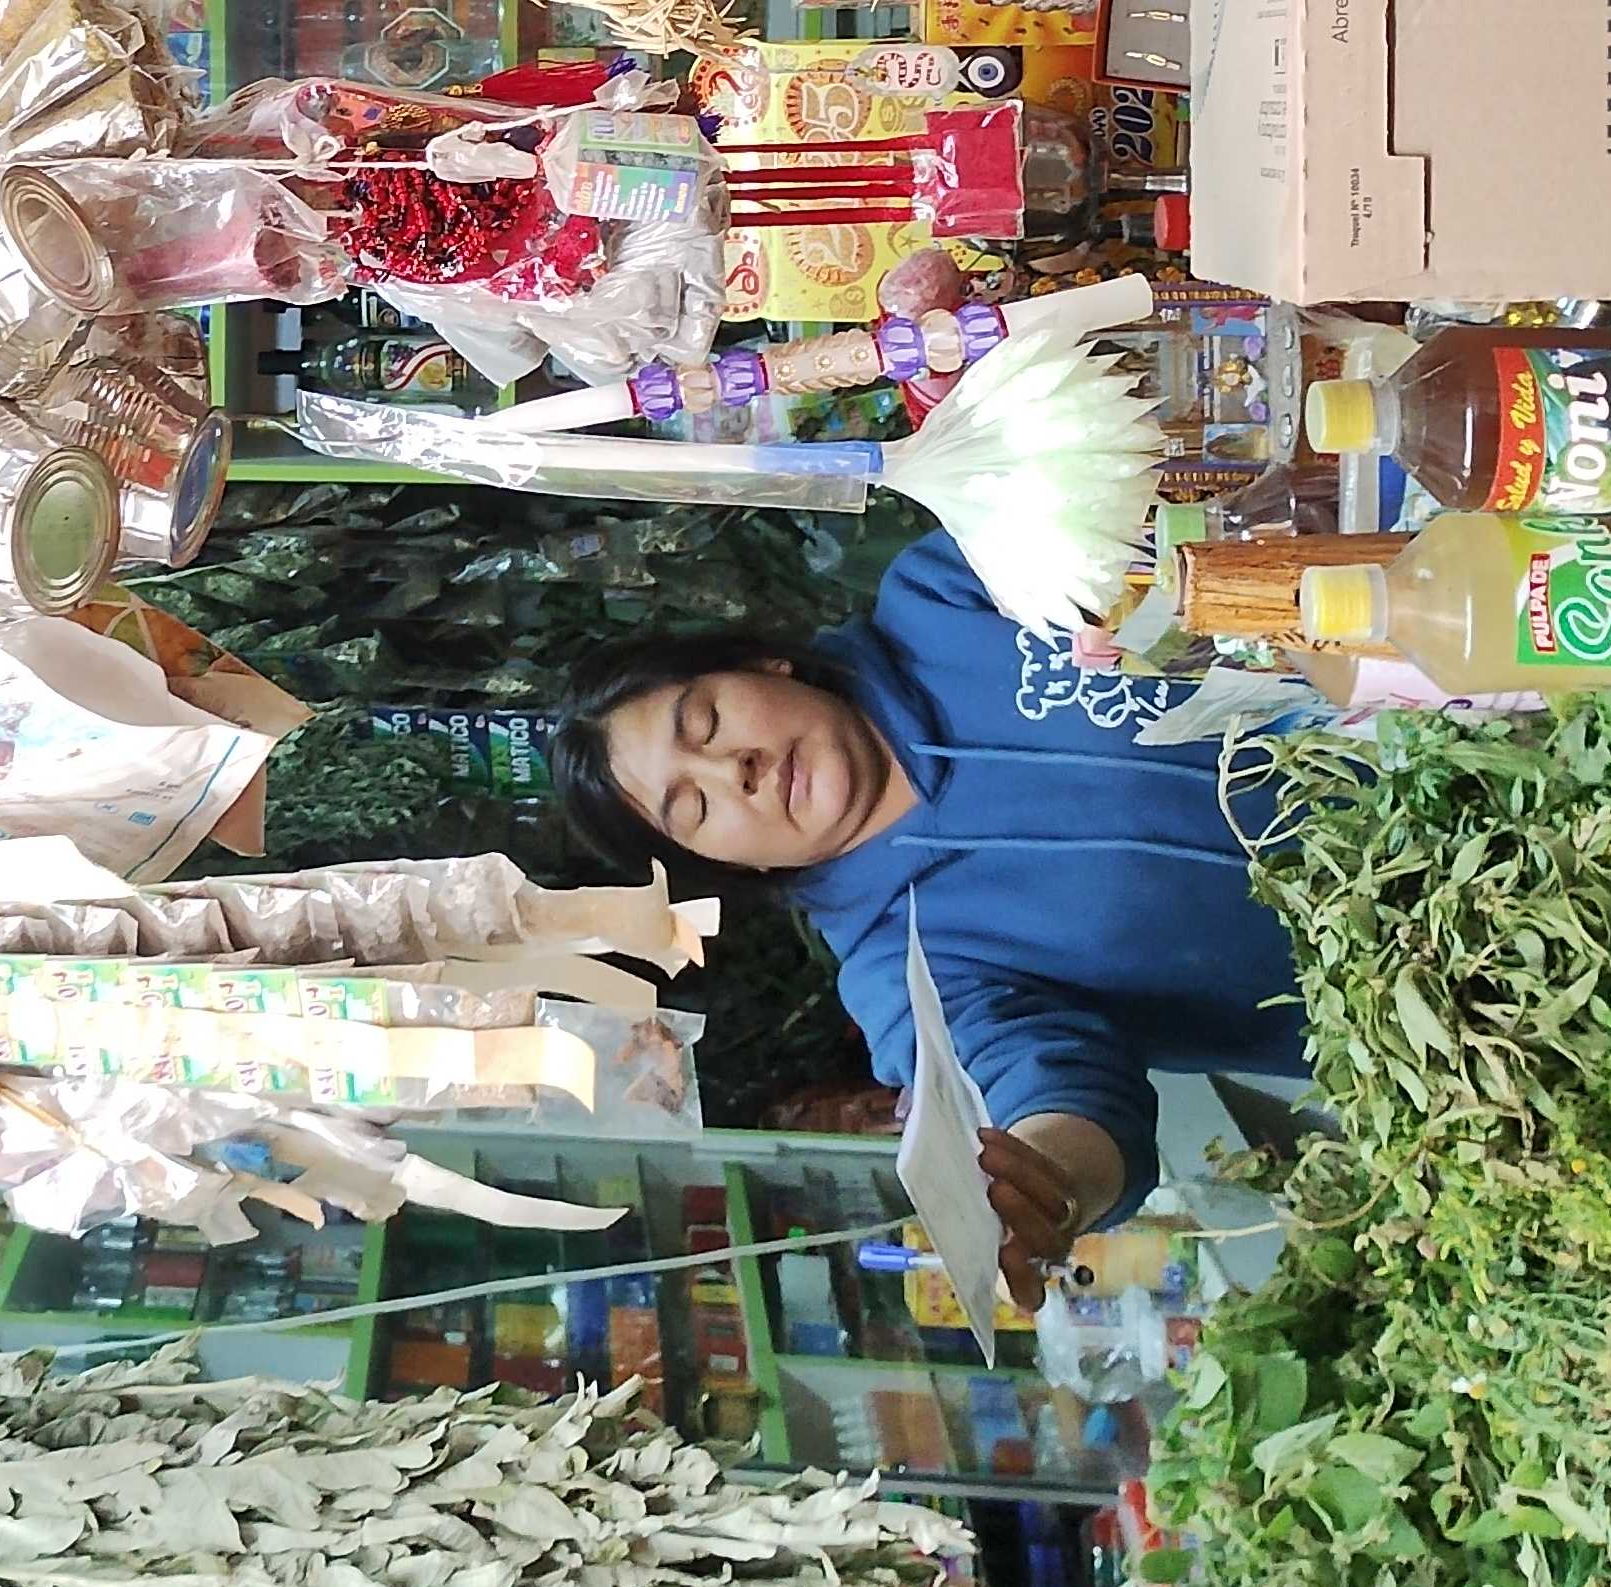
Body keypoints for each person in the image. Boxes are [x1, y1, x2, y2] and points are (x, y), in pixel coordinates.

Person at [549, 525, 1303, 1303]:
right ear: (732, 867)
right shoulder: (903, 971)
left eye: (705, 722)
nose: (733, 770)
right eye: (695, 808)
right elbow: (1035, 1087)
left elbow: (1192, 533)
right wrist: (1041, 1184)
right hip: (1389, 942)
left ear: (762, 664)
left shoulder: (949, 590)